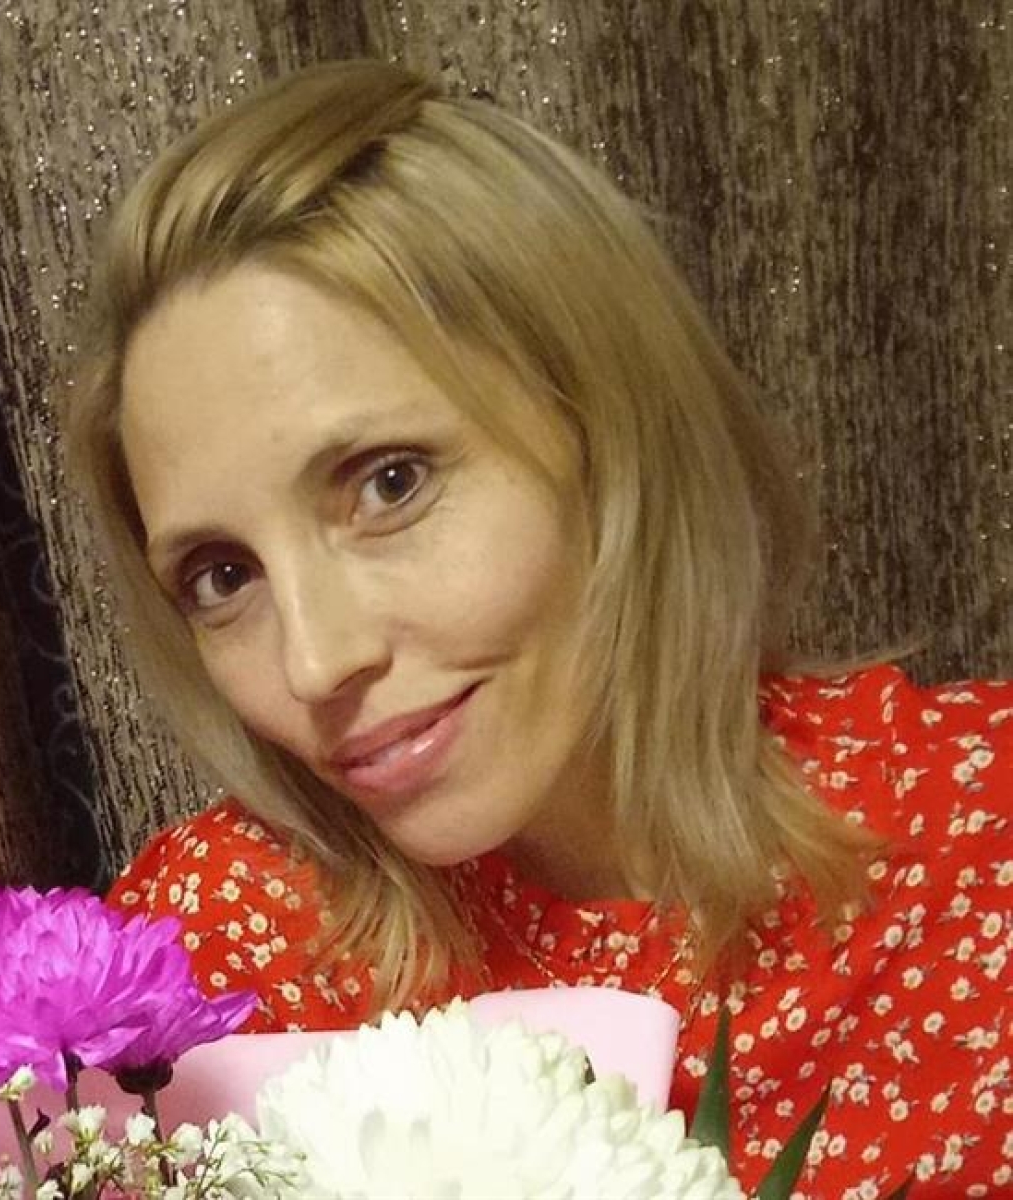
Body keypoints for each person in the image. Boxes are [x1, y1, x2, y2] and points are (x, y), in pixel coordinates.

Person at [68, 60, 1011, 1198]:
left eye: (390, 484)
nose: (314, 662)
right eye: (223, 576)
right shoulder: (216, 956)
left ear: (609, 433)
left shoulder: (982, 831)